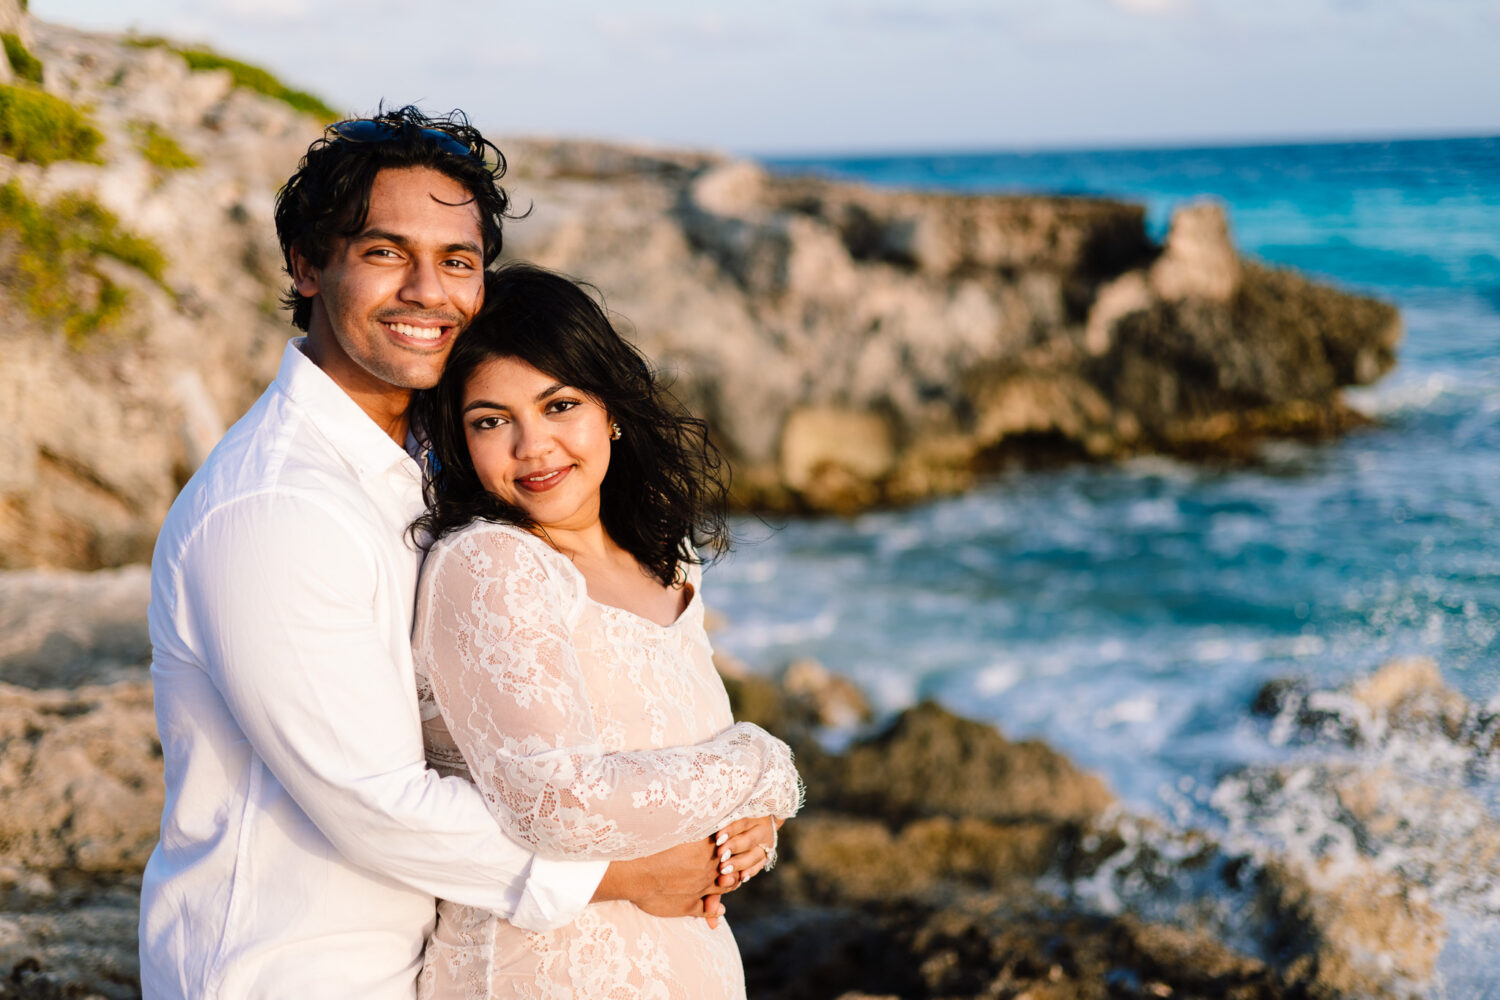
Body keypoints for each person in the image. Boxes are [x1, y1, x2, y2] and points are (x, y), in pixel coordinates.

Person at [140, 107, 746, 1000]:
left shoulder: (442, 456)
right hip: (295, 970)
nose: (429, 291)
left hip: (418, 961)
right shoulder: (276, 507)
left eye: (457, 261)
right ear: (307, 266)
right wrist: (624, 873)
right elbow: (373, 799)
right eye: (387, 252)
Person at [407, 263, 802, 999]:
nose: (532, 445)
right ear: (461, 441)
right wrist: (760, 766)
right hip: (546, 973)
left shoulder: (667, 559)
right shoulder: (492, 564)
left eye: (559, 405)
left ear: (610, 409)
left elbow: (671, 771)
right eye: (491, 420)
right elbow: (556, 804)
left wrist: (752, 829)